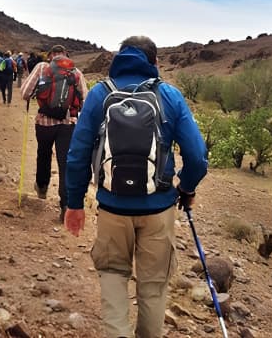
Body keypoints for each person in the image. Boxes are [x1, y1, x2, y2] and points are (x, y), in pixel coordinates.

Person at [64, 36, 208, 338]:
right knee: (153, 289)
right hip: (159, 209)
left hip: (112, 210)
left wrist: (74, 204)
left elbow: (77, 154)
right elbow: (196, 156)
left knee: (113, 279)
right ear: (154, 63)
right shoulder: (169, 95)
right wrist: (187, 188)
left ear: (120, 58)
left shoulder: (100, 94)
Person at [21, 45, 88, 222]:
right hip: (68, 124)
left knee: (43, 154)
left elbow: (25, 93)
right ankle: (65, 206)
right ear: (66, 55)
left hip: (44, 122)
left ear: (50, 56)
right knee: (65, 162)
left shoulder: (42, 68)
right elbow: (85, 99)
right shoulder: (76, 73)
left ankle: (42, 187)